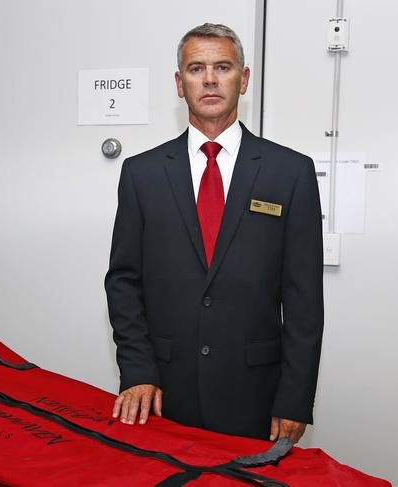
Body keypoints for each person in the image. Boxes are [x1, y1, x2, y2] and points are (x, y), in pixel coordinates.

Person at [104, 23, 324, 443]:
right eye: (195, 68)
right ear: (178, 82)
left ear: (243, 80)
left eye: (222, 67)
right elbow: (123, 282)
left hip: (255, 394)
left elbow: (304, 300)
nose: (208, 79)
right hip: (161, 392)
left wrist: (295, 398)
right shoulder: (142, 173)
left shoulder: (290, 172)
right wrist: (137, 371)